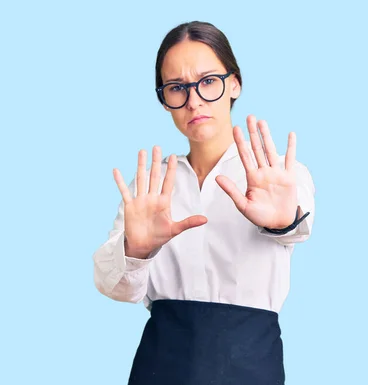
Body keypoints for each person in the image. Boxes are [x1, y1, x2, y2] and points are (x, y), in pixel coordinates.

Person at [92, 21, 315, 385]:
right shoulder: (151, 187)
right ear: (165, 100)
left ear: (235, 84)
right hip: (160, 365)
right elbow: (116, 287)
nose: (193, 100)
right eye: (177, 88)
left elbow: (300, 223)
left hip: (251, 363)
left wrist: (283, 220)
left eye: (208, 81)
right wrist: (136, 250)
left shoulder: (277, 173)